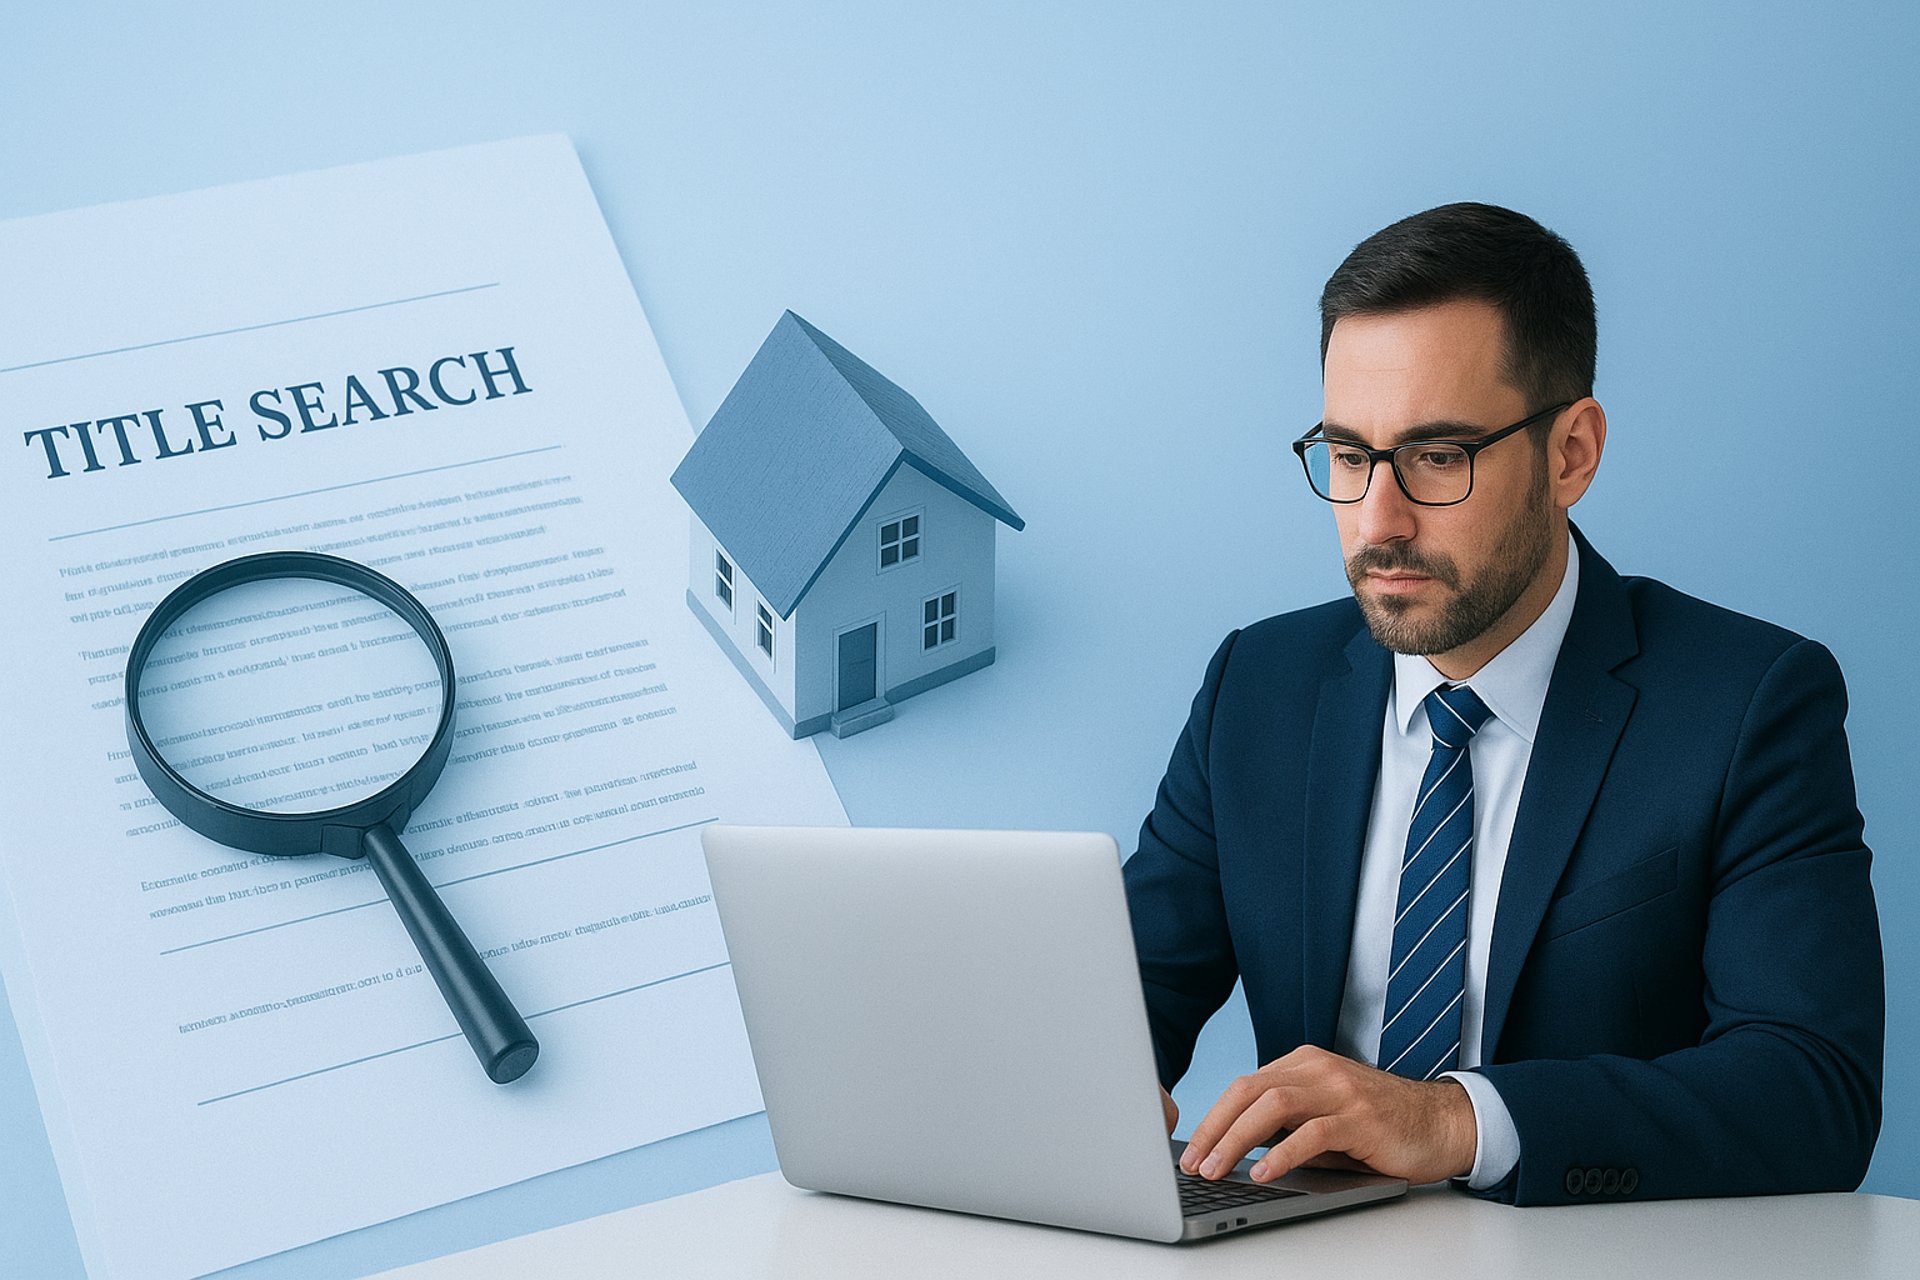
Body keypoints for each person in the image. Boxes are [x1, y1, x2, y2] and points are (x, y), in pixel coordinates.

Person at [1123, 202, 1883, 1205]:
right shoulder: (1257, 686)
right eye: (1349, 456)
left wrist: (1451, 1120)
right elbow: (1123, 997)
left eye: (1438, 456)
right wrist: (1071, 1086)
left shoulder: (1748, 704)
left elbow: (1812, 1093)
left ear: (1572, 453)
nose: (1379, 522)